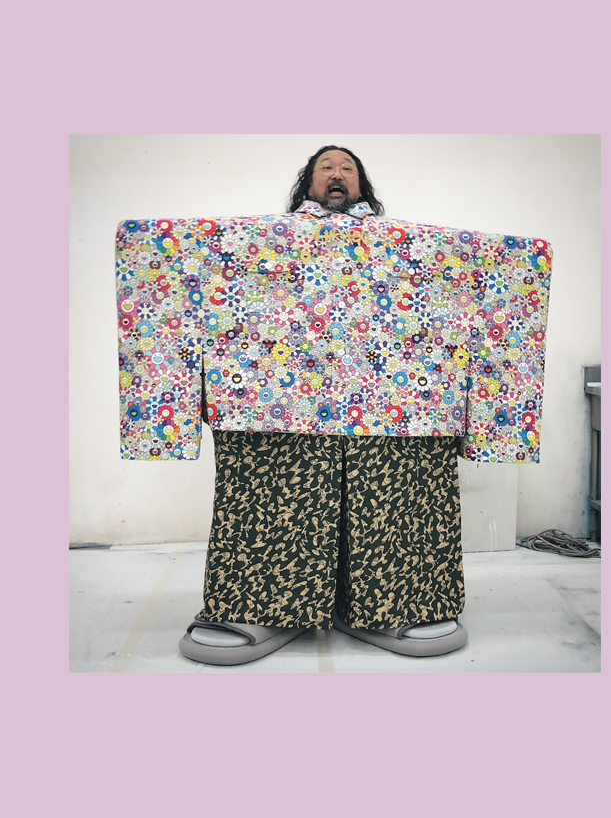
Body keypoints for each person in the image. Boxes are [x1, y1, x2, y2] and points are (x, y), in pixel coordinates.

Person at [178, 146, 469, 665]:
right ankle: (261, 604)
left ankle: (397, 601)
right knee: (274, 491)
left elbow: (475, 273)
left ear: (362, 184)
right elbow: (189, 261)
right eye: (325, 168)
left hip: (392, 396)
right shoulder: (264, 242)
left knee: (394, 492)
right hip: (279, 397)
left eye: (347, 168)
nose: (337, 174)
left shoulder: (408, 245)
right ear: (308, 184)